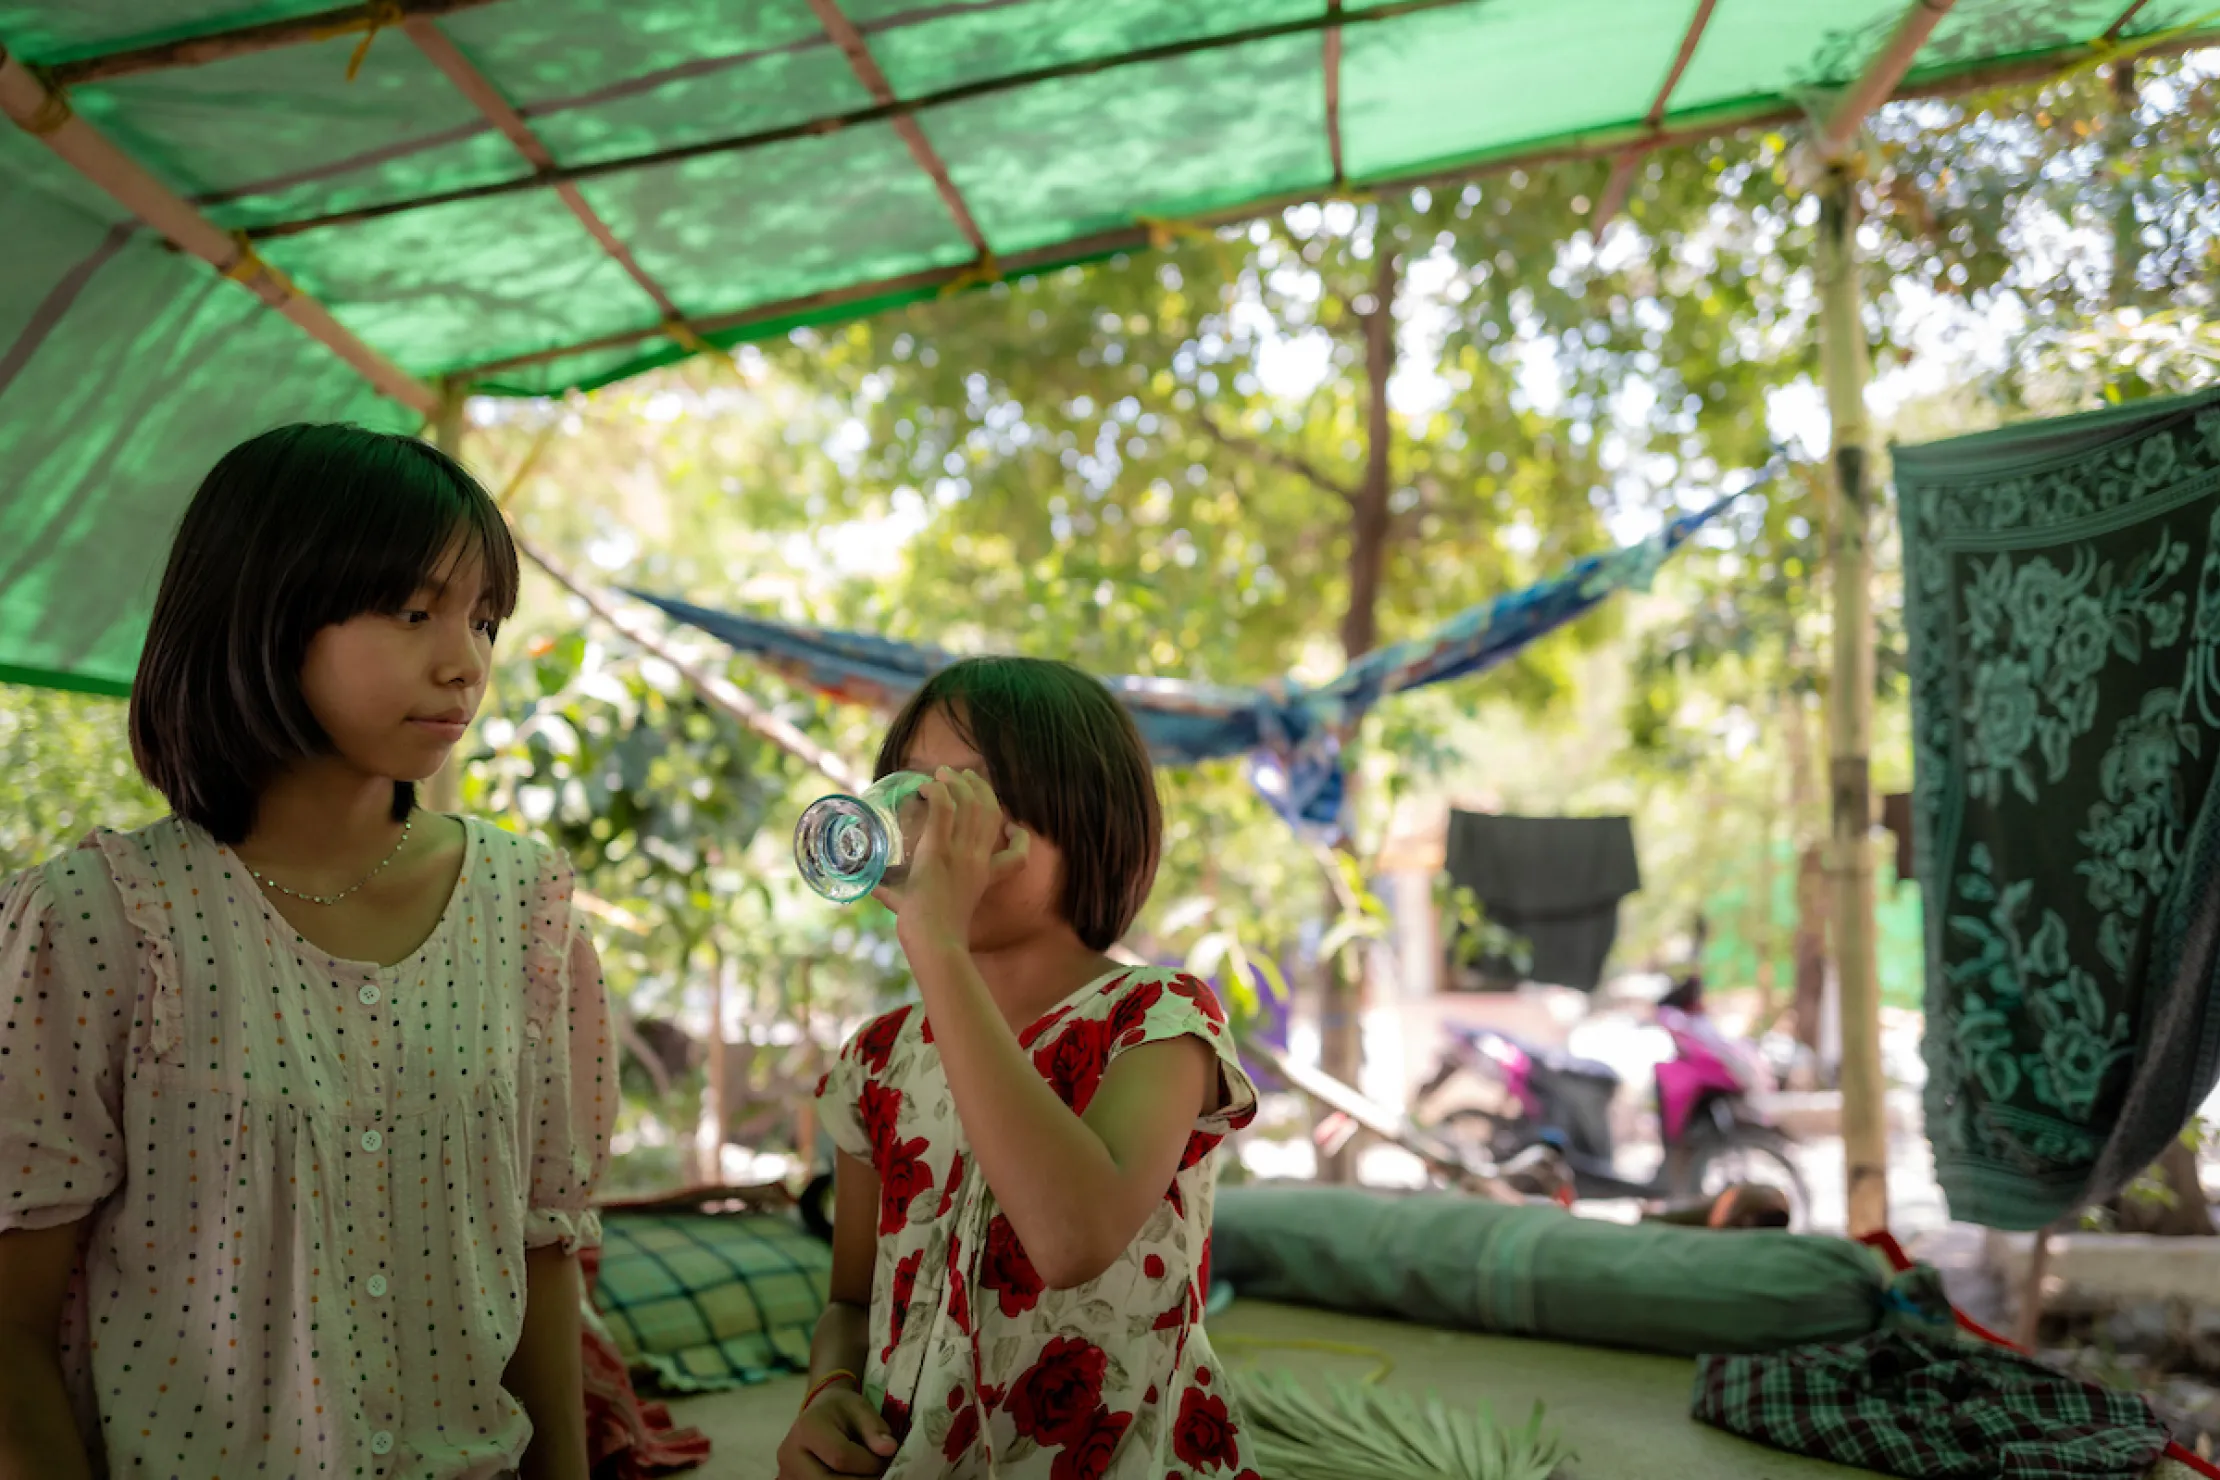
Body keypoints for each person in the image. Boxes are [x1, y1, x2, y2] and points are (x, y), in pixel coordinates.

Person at [0, 424, 613, 1480]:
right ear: (264, 607)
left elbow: (544, 1255)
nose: (464, 662)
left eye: (484, 619)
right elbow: (7, 1333)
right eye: (413, 611)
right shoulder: (98, 920)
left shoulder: (528, 914)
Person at [779, 659, 1259, 1480]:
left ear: (1083, 820)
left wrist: (937, 943)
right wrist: (828, 1391)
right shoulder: (877, 1061)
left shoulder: (1158, 1019)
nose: (932, 822)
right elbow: (851, 1303)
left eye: (972, 793)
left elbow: (1075, 1236)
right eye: (916, 787)